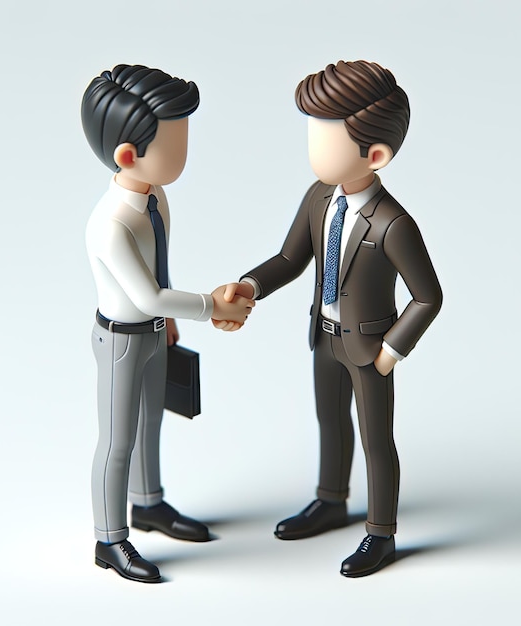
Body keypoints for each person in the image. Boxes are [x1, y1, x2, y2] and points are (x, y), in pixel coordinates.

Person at [219, 60, 442, 577]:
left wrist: (390, 351)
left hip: (368, 349)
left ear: (376, 154)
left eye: (326, 139)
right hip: (323, 336)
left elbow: (427, 296)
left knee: (376, 440)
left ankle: (380, 533)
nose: (313, 150)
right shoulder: (319, 198)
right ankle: (331, 499)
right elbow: (290, 259)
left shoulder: (393, 223)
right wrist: (250, 286)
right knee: (330, 421)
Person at [82, 64, 253, 583]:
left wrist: (172, 323)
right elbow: (147, 293)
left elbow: (160, 265)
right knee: (116, 440)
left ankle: (149, 502)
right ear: (128, 155)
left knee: (151, 423)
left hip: (155, 332)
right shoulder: (110, 223)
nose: (182, 156)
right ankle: (110, 539)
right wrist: (211, 307)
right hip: (120, 340)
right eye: (172, 145)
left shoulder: (156, 198)